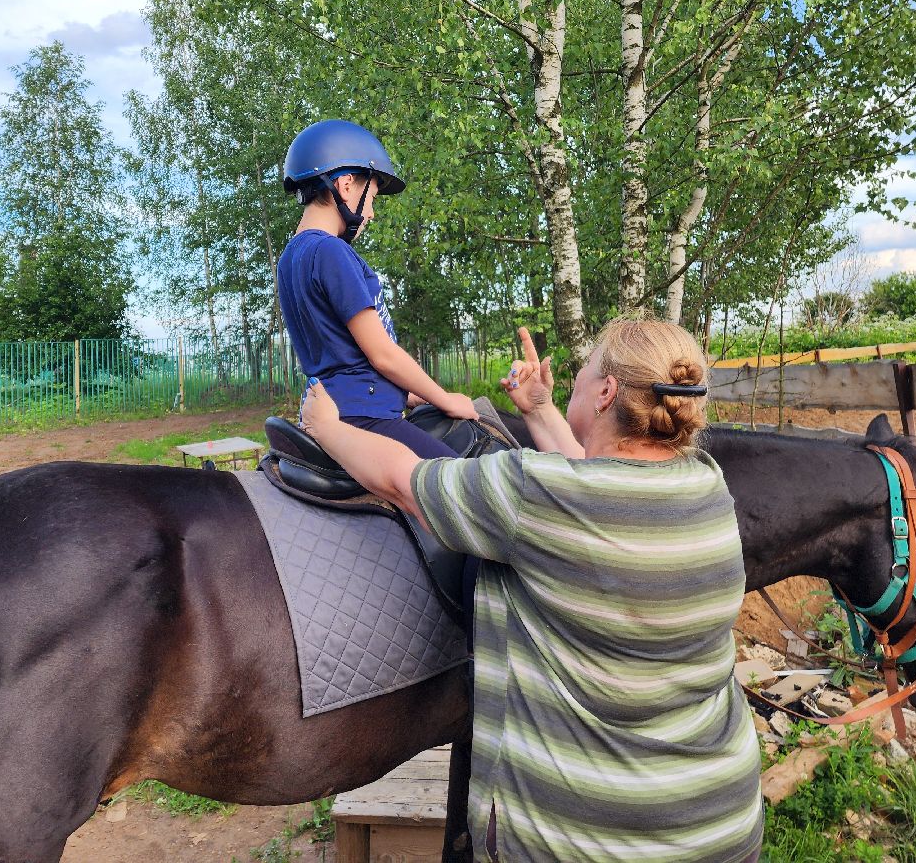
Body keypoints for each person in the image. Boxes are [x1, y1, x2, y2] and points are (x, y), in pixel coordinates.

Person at [301, 318, 763, 862]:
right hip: (719, 822)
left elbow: (404, 481)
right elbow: (596, 483)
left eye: (584, 371)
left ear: (607, 391)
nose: (575, 380)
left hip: (586, 840)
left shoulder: (536, 494)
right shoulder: (706, 485)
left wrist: (328, 427)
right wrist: (540, 410)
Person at [278, 119, 478, 461]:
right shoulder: (331, 251)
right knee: (462, 484)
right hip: (363, 418)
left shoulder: (290, 257)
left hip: (334, 405)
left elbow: (339, 354)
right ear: (345, 185)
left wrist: (409, 395)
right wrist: (445, 399)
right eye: (370, 198)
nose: (370, 213)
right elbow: (381, 354)